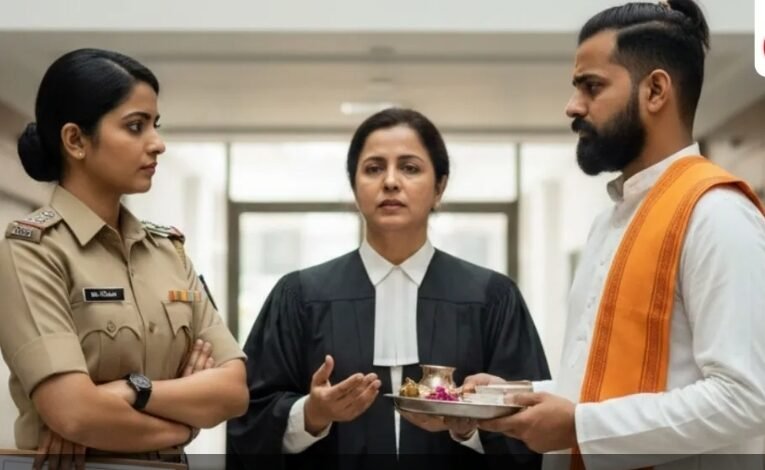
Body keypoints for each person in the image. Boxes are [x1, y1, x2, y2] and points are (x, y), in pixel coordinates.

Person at [469, 1, 765, 469]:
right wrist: (512, 397)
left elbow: (747, 397)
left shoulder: (717, 213)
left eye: (592, 86)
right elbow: (598, 387)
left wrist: (580, 426)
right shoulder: (610, 221)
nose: (573, 106)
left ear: (655, 91)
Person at [227, 108, 550, 469]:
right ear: (354, 188)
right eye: (373, 168)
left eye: (410, 168)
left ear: (439, 187)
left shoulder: (492, 297)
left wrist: (467, 427)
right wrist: (311, 414)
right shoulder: (299, 295)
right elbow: (248, 420)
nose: (391, 181)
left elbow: (531, 427)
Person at [0, 48, 248, 468]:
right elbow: (75, 413)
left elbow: (234, 390)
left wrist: (135, 390)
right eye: (135, 126)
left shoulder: (168, 252)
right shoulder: (33, 251)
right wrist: (185, 427)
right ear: (76, 141)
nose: (158, 144)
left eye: (155, 125)